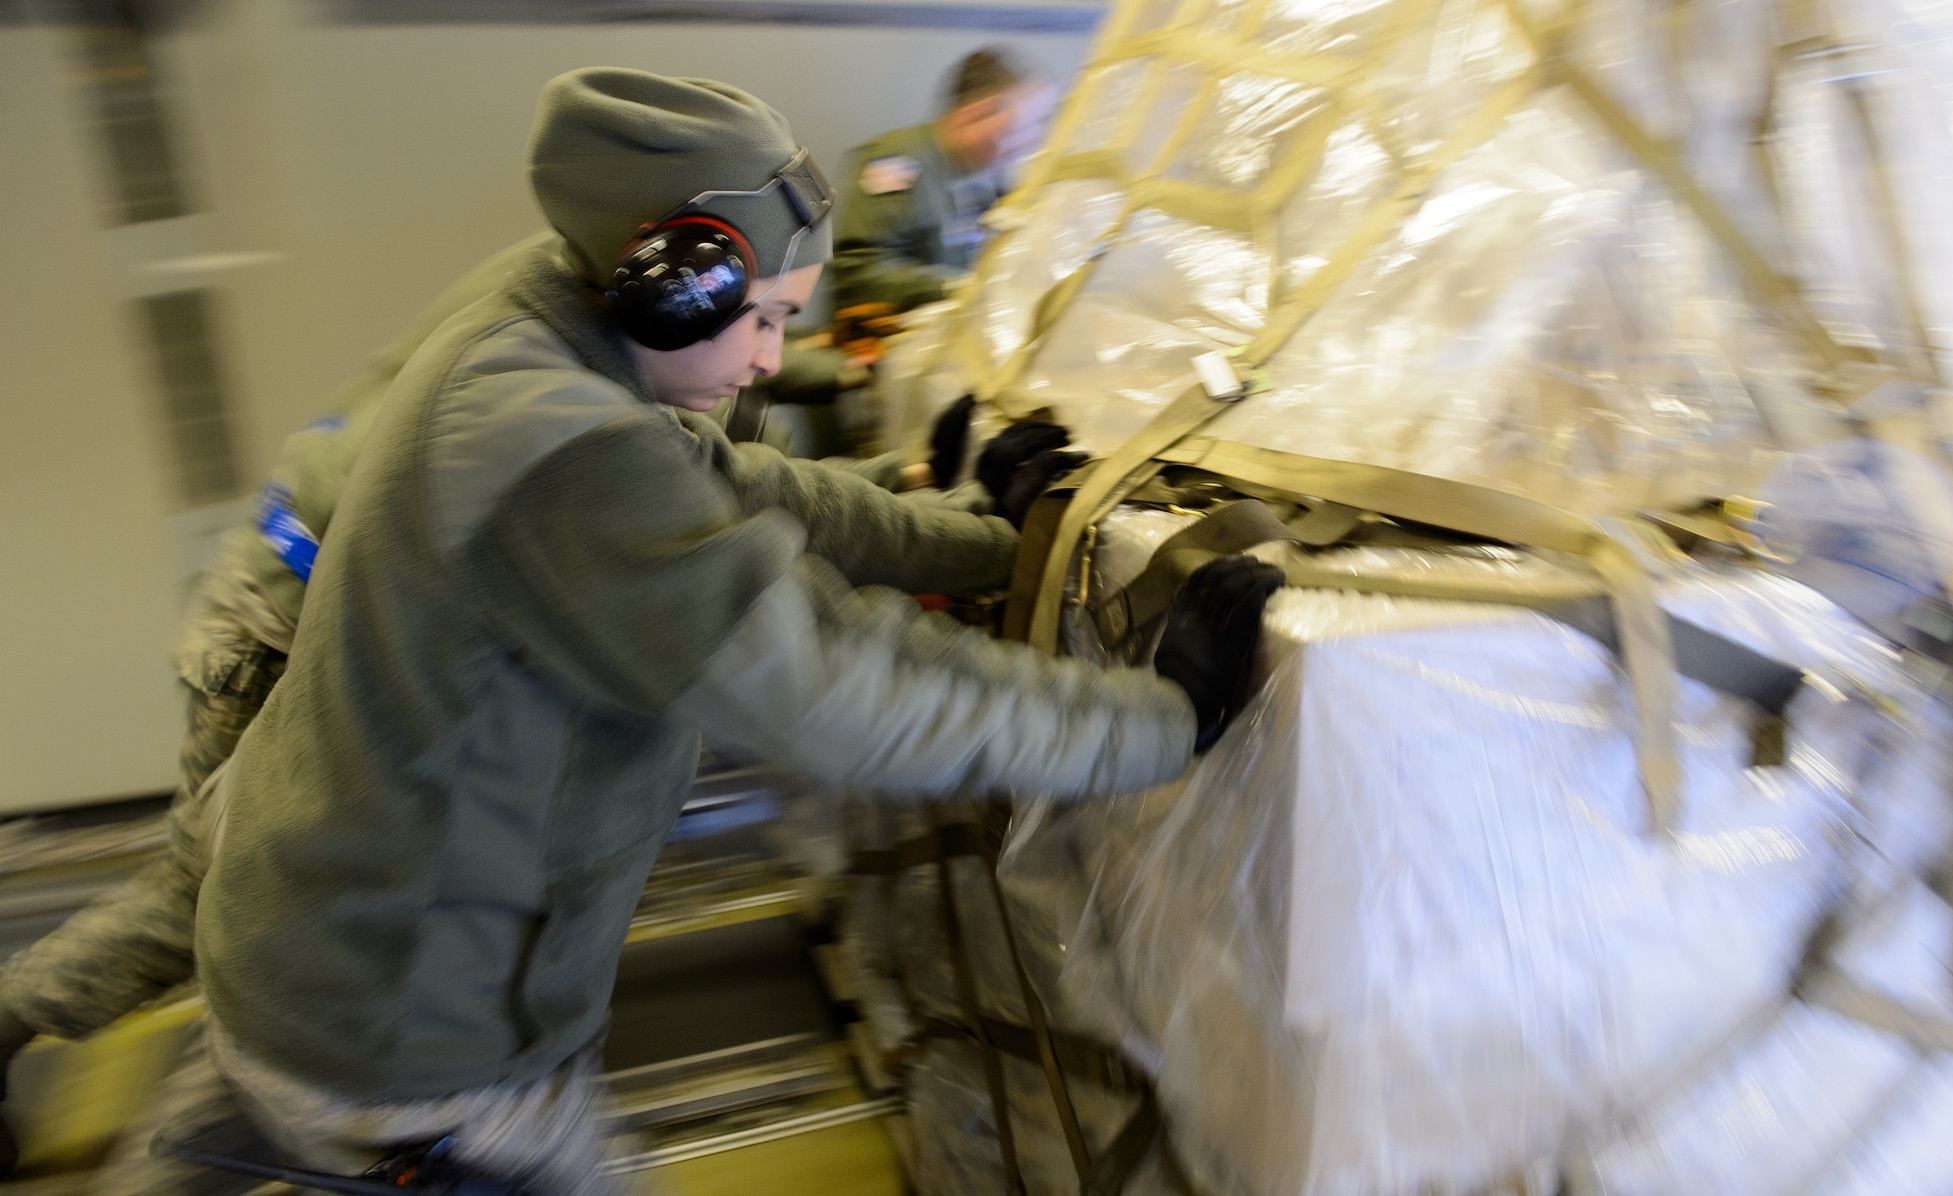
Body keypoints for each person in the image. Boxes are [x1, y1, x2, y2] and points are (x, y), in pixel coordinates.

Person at [97, 68, 1279, 1195]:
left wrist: (977, 527)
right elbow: (837, 688)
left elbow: (758, 494)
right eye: (761, 318)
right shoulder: (562, 447)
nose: (771, 357)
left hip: (296, 953)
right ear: (674, 283)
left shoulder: (545, 331)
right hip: (414, 1036)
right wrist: (1157, 723)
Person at [831, 47, 1041, 314]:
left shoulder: (992, 178)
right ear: (975, 116)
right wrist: (958, 288)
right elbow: (859, 273)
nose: (1027, 145)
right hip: (883, 341)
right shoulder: (895, 162)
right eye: (1019, 129)